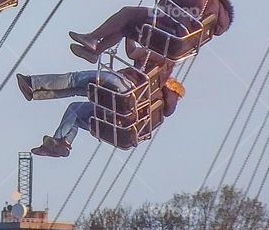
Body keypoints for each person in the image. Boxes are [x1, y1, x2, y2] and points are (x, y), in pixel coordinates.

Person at [17, 40, 184, 157]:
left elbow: (132, 51)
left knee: (76, 79)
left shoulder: (160, 63)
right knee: (75, 107)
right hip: (120, 114)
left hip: (124, 89)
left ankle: (33, 83)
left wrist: (129, 32)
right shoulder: (158, 102)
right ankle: (61, 143)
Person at [68, 0, 234, 63]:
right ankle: (95, 52)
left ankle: (93, 38)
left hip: (170, 28)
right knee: (127, 28)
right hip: (176, 44)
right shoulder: (213, 21)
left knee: (127, 13)